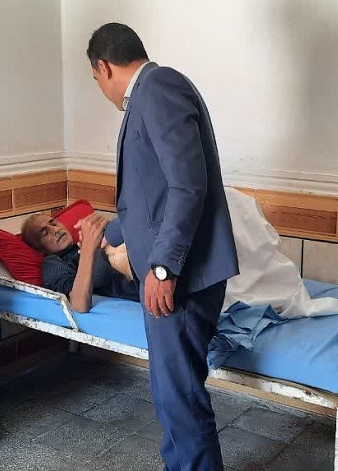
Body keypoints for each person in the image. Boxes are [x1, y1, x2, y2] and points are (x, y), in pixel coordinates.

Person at [86, 23, 239, 471]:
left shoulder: (157, 87)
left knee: (180, 396)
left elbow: (188, 186)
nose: (101, 88)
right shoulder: (152, 93)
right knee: (172, 392)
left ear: (103, 67)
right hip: (178, 269)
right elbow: (154, 194)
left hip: (182, 276)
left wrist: (162, 269)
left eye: (96, 79)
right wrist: (117, 232)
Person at [21, 213, 138, 312]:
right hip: (137, 279)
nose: (56, 230)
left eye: (54, 224)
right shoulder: (53, 262)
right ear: (39, 249)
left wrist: (106, 227)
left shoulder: (84, 242)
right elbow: (77, 304)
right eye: (45, 233)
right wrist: (88, 247)